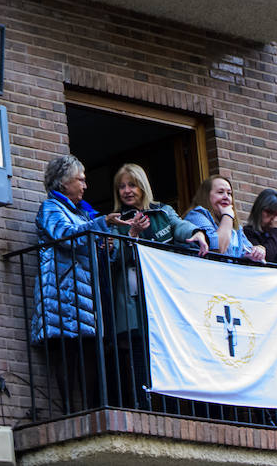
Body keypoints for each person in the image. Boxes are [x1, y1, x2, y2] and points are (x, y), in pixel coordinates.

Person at [100, 163, 206, 408]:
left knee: (170, 351)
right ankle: (144, 405)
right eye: (121, 187)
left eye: (132, 184)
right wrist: (132, 234)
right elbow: (113, 261)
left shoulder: (161, 211)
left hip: (165, 296)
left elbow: (179, 227)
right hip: (134, 298)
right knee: (140, 352)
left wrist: (198, 233)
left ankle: (174, 406)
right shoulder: (116, 221)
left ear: (142, 186)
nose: (127, 191)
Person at [30, 154, 108, 415]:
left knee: (87, 351)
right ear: (63, 183)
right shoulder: (51, 208)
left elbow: (91, 247)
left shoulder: (83, 213)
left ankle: (87, 410)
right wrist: (101, 225)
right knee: (67, 351)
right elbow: (66, 238)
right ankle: (69, 411)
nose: (85, 186)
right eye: (80, 180)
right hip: (61, 295)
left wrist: (107, 242)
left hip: (83, 295)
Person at [185, 176, 267, 261]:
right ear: (206, 196)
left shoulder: (236, 229)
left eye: (229, 193)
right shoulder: (196, 215)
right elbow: (218, 249)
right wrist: (227, 215)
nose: (226, 197)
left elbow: (247, 251)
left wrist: (257, 251)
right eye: (220, 192)